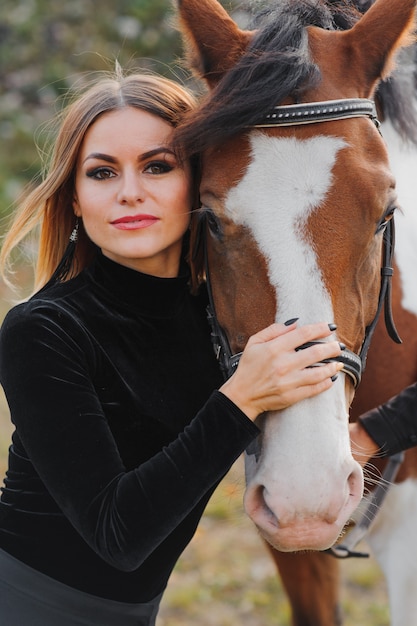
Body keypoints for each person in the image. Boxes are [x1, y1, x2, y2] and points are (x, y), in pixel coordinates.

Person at [0, 70, 346, 626]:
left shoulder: (219, 317)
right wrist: (240, 399)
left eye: (157, 166)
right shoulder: (41, 331)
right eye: (102, 172)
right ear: (76, 197)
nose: (129, 191)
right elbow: (119, 534)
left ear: (199, 180)